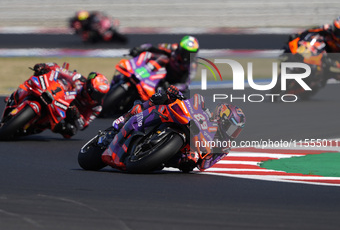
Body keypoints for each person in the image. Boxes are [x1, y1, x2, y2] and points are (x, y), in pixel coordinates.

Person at [111, 85, 246, 172]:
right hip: (183, 120)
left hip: (182, 152)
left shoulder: (223, 146)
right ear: (222, 116)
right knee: (163, 96)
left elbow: (205, 165)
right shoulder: (208, 108)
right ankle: (129, 115)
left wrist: (194, 159)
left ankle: (148, 155)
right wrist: (177, 94)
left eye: (235, 131)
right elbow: (194, 101)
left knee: (184, 163)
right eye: (231, 128)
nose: (232, 133)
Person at [32, 63, 110, 138]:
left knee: (71, 131)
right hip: (59, 96)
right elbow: (58, 69)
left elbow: (83, 125)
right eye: (96, 94)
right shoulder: (78, 78)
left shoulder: (97, 107)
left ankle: (45, 125)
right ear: (89, 87)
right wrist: (44, 66)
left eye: (101, 95)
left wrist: (77, 114)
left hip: (68, 114)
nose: (98, 98)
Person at [128, 35, 199, 92]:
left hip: (171, 84)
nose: (187, 56)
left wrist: (171, 87)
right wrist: (139, 49)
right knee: (162, 57)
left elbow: (185, 85)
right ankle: (139, 71)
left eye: (191, 53)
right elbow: (151, 47)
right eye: (185, 52)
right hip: (160, 73)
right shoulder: (173, 48)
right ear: (179, 48)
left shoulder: (192, 65)